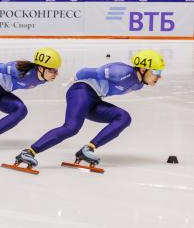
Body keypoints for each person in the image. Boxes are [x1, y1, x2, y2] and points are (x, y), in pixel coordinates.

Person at [14, 50, 165, 170]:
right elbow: (84, 71)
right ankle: (28, 152)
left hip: (94, 99)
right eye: (157, 73)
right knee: (71, 128)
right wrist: (73, 81)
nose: (159, 77)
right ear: (144, 68)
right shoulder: (120, 71)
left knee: (123, 117)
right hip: (81, 91)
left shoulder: (139, 84)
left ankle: (87, 149)